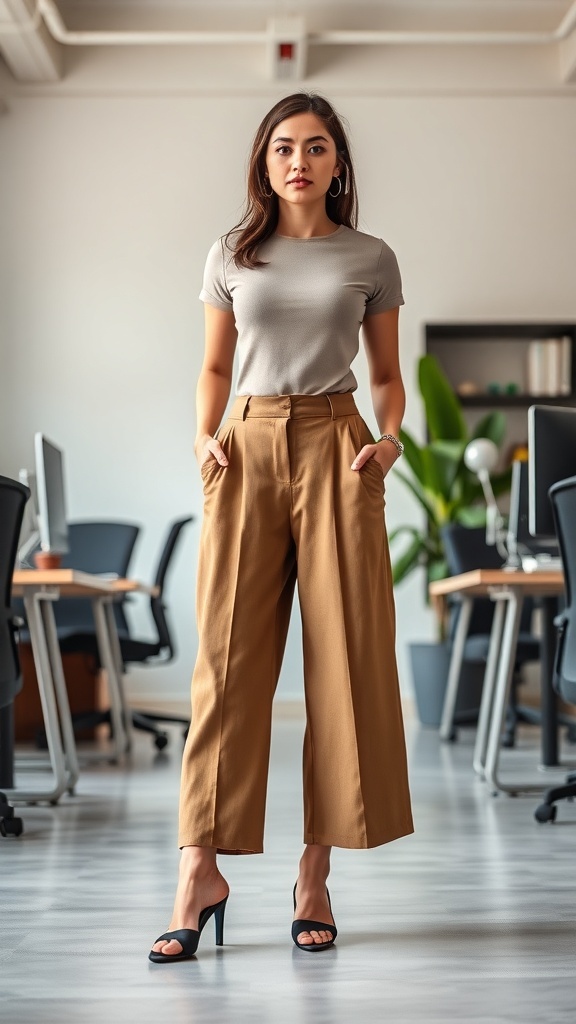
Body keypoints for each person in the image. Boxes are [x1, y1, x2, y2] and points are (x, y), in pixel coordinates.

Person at [149, 92, 414, 963]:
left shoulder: (370, 257)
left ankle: (314, 874)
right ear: (264, 164)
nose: (298, 161)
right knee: (226, 662)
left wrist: (389, 442)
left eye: (316, 148)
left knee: (342, 659)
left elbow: (385, 375)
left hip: (340, 445)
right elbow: (215, 364)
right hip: (245, 445)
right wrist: (201, 434)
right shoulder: (232, 254)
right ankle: (198, 870)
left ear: (338, 163)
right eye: (282, 149)